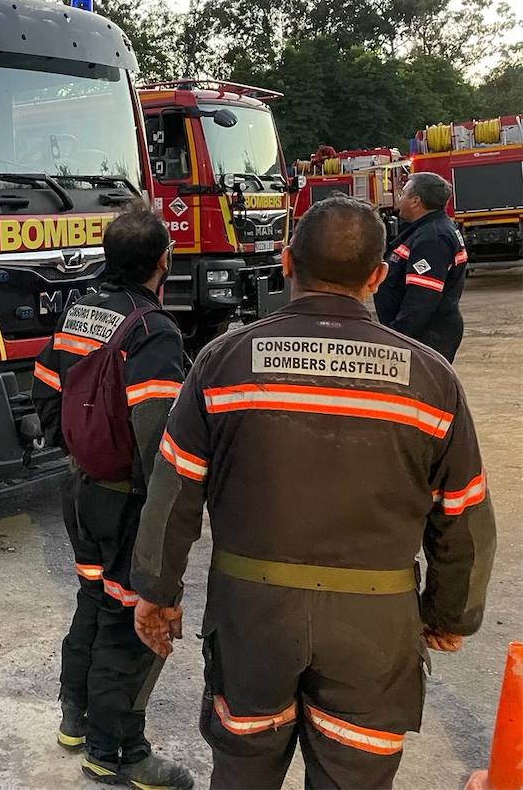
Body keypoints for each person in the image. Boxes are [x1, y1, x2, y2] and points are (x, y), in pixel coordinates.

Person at [131, 195, 496, 790]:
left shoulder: (222, 361)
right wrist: (449, 612)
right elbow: (464, 518)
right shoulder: (433, 380)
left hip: (252, 621)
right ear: (379, 276)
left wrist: (157, 591)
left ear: (284, 261)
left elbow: (173, 493)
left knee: (244, 769)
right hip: (374, 631)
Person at [33, 204, 193, 790]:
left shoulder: (83, 308)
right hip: (128, 502)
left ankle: (75, 720)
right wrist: (163, 518)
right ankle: (116, 752)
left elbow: (46, 384)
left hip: (83, 494)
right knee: (130, 621)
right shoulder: (153, 331)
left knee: (93, 600)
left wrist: (74, 449)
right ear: (162, 262)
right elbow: (158, 434)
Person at [375, 171, 468, 360]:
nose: (400, 199)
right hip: (423, 333)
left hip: (425, 336)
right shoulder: (428, 229)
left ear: (416, 201)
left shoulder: (432, 238)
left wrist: (397, 336)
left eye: (404, 194)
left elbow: (422, 299)